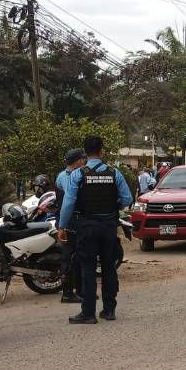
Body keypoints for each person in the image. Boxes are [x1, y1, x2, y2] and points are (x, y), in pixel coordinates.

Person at [58, 136, 133, 324]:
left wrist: (62, 226)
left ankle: (88, 313)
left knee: (88, 268)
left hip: (86, 226)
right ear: (102, 151)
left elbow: (68, 203)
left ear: (86, 153)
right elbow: (127, 199)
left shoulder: (77, 175)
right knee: (108, 267)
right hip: (108, 226)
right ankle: (109, 310)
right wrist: (112, 206)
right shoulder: (114, 173)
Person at [55, 149, 87, 304]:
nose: (84, 161)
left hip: (76, 219)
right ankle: (67, 293)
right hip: (68, 220)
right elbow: (70, 199)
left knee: (80, 256)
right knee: (69, 257)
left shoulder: (75, 175)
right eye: (82, 159)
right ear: (78, 161)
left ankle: (81, 291)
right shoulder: (65, 176)